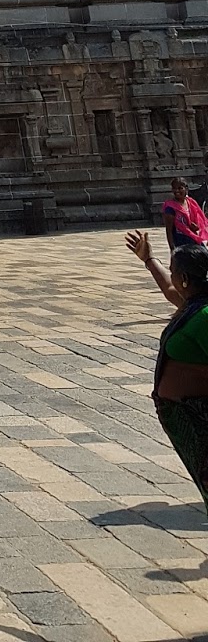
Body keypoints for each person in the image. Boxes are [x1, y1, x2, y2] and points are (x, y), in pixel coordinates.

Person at [127, 231, 208, 513]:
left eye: (174, 271)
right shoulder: (194, 306)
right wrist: (149, 260)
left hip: (200, 416)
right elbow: (169, 292)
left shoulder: (205, 315)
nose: (171, 275)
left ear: (185, 278)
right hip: (185, 417)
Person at [164, 178, 208, 252]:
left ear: (186, 188)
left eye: (180, 188)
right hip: (180, 241)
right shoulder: (170, 207)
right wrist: (172, 248)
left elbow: (199, 222)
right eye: (174, 188)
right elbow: (169, 230)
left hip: (193, 239)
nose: (177, 191)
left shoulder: (191, 203)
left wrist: (195, 227)